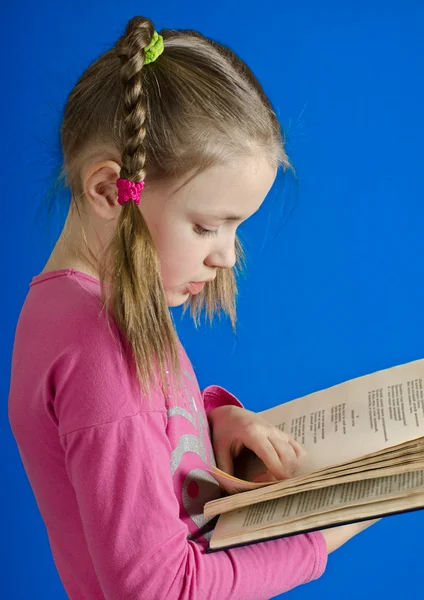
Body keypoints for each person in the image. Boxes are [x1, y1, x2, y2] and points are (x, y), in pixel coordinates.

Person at [8, 16, 379, 600]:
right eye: (209, 226)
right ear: (111, 191)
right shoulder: (102, 345)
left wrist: (214, 423)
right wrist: (324, 532)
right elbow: (158, 590)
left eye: (237, 229)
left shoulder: (72, 310)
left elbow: (125, 429)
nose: (228, 256)